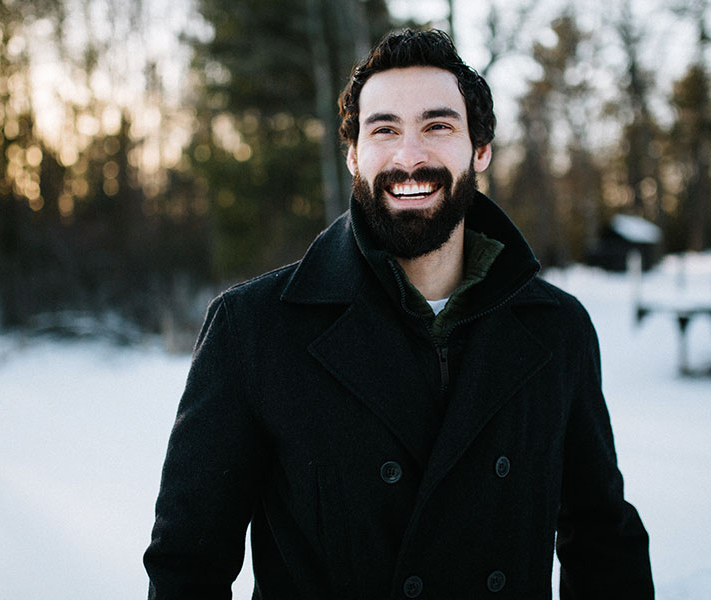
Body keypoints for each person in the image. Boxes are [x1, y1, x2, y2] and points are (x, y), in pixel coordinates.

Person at [144, 28, 654, 599]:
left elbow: (603, 542)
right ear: (354, 155)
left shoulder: (557, 328)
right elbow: (188, 567)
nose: (410, 157)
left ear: (479, 149)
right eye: (385, 129)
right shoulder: (254, 329)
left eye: (438, 126)